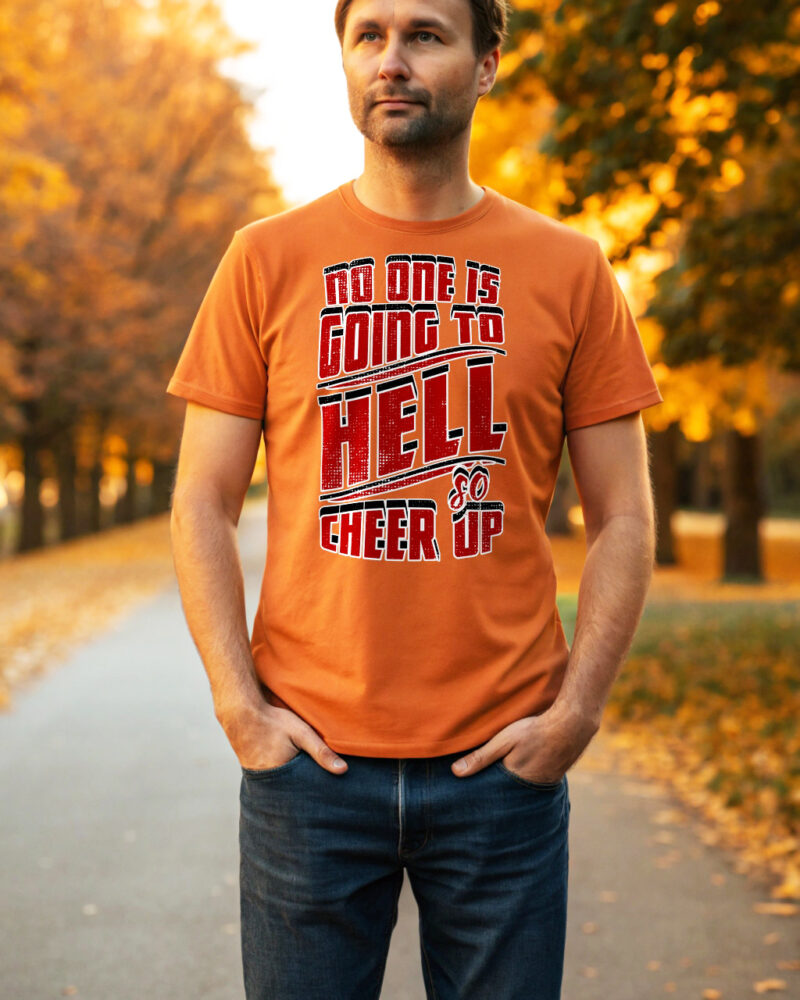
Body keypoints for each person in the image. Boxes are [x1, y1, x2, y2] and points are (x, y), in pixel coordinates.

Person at [167, 0, 663, 996]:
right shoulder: (263, 261)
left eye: (425, 35)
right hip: (307, 770)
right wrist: (241, 712)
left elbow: (622, 516)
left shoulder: (570, 269)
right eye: (369, 36)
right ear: (346, 62)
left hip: (502, 772)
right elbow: (201, 502)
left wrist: (575, 713)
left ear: (484, 65)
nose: (391, 60)